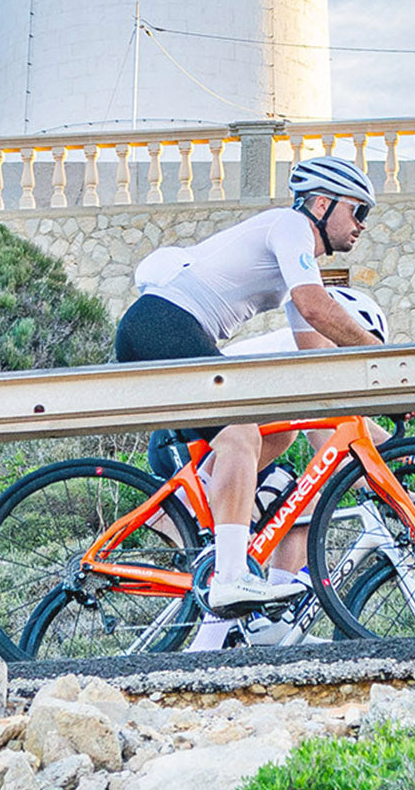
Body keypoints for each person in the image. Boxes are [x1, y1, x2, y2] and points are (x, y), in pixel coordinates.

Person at [114, 156, 383, 613]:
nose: (361, 226)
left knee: (280, 426)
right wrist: (380, 358)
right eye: (358, 211)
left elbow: (319, 364)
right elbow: (317, 308)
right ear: (322, 203)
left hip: (177, 330)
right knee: (239, 431)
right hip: (163, 323)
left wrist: (377, 407)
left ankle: (214, 504)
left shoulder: (300, 274)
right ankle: (231, 576)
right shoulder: (290, 226)